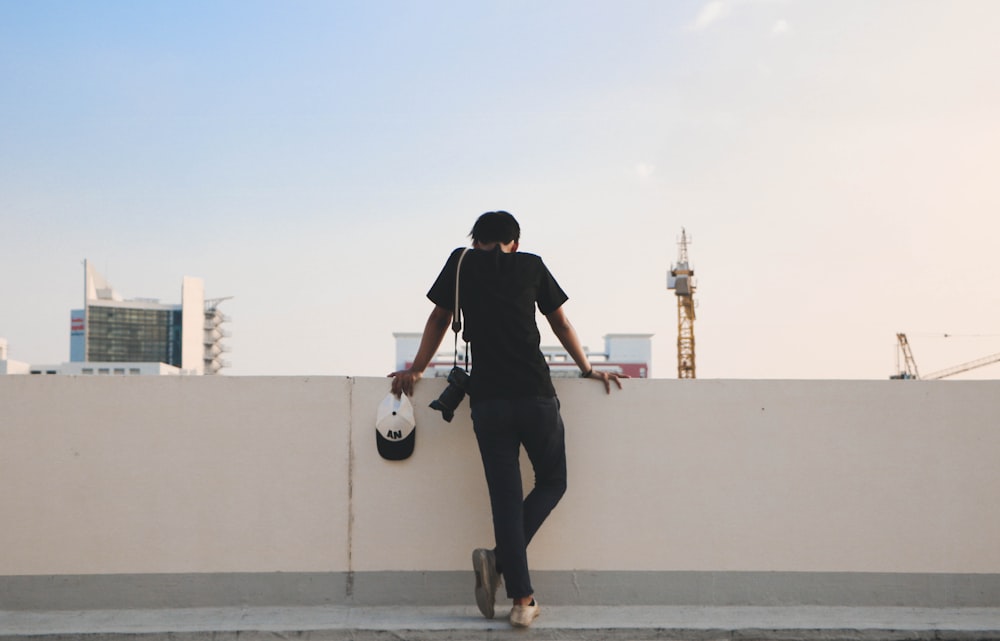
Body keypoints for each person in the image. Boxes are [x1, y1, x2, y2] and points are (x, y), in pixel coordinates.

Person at [389, 211, 625, 628]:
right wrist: (588, 370)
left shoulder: (460, 263)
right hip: (535, 392)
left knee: (504, 499)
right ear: (513, 242)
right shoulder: (530, 264)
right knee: (553, 481)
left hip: (488, 400)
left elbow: (440, 319)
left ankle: (522, 599)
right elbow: (561, 322)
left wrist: (418, 369)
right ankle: (497, 563)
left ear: (476, 239)